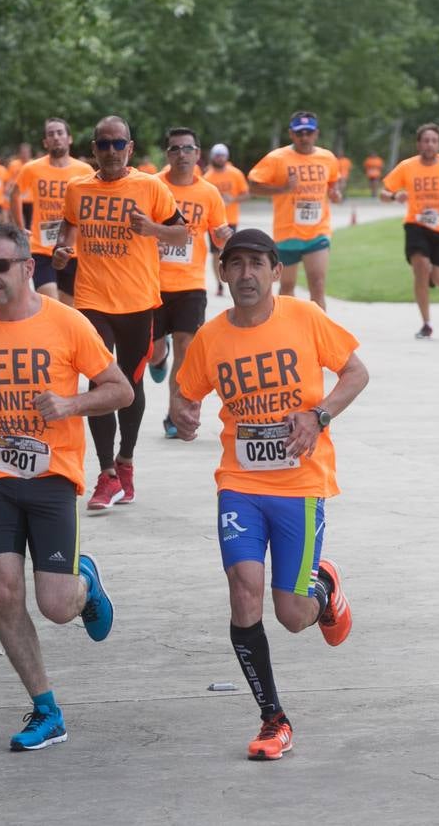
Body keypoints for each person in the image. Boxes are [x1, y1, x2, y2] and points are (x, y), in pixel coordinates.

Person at [170, 228, 369, 762]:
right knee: (243, 591)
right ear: (222, 273)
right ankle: (272, 719)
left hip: (300, 484)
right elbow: (184, 390)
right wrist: (183, 413)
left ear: (275, 271)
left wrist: (318, 413)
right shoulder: (212, 337)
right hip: (239, 483)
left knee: (294, 615)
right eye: (235, 264)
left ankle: (323, 586)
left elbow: (356, 371)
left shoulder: (304, 318)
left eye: (257, 263)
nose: (246, 274)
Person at [0, 223, 131, 751]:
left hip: (51, 478)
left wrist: (71, 404)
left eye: (0, 266)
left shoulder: (68, 324)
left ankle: (83, 583)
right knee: (4, 592)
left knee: (56, 606)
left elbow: (121, 389)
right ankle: (46, 710)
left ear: (28, 267)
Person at [52, 115, 188, 510]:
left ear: (130, 147)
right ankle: (106, 472)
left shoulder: (151, 187)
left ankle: (126, 460)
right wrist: (62, 252)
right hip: (92, 301)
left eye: (118, 144)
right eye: (103, 144)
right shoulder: (77, 189)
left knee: (130, 384)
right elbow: (67, 232)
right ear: (93, 149)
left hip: (138, 304)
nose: (111, 151)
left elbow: (183, 233)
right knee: (99, 384)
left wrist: (154, 230)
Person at [147, 128, 230, 437]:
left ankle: (173, 415)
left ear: (198, 154)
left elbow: (219, 230)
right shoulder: (153, 186)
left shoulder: (208, 192)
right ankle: (159, 355)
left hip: (191, 285)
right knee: (155, 353)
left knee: (186, 350)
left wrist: (227, 240)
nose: (181, 154)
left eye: (187, 149)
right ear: (168, 155)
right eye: (174, 149)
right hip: (152, 284)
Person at [379, 123, 439, 339]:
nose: (430, 144)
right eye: (426, 140)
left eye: (434, 141)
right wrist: (395, 197)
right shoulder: (407, 166)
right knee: (420, 266)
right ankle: (426, 323)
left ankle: (432, 273)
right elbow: (383, 194)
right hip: (416, 225)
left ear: (438, 144)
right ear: (419, 144)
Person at [249, 112, 341, 309]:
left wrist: (335, 193)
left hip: (318, 231)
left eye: (309, 133)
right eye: (300, 133)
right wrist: (281, 189)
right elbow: (253, 185)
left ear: (316, 133)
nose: (304, 137)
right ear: (291, 134)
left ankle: (319, 336)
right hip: (287, 232)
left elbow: (333, 182)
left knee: (317, 284)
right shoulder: (277, 158)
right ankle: (287, 332)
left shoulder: (327, 158)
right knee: (287, 286)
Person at [13, 117, 95, 305]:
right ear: (45, 142)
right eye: (51, 134)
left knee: (69, 309)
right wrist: (19, 226)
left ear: (69, 139)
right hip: (42, 248)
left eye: (60, 133)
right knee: (51, 303)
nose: (56, 137)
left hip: (73, 250)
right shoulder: (32, 168)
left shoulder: (84, 170)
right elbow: (15, 194)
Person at [203, 143, 250, 296]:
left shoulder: (235, 173)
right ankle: (219, 283)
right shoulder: (207, 177)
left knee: (231, 252)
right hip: (213, 223)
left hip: (231, 220)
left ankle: (233, 280)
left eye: (222, 155)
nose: (220, 158)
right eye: (217, 155)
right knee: (216, 254)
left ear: (227, 157)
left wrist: (233, 198)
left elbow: (247, 194)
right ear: (212, 157)